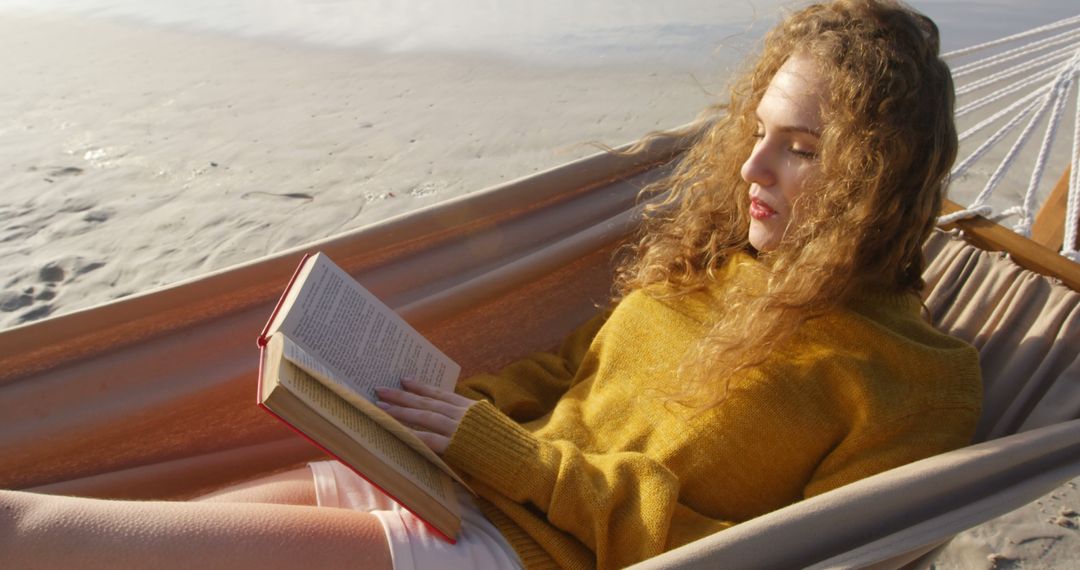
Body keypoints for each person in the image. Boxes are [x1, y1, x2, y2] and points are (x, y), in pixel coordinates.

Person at [0, 1, 981, 568]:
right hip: (459, 478)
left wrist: (506, 458)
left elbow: (766, 556)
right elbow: (570, 375)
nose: (751, 170)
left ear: (878, 176)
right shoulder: (727, 265)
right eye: (758, 133)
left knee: (38, 531)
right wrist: (437, 411)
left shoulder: (909, 380)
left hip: (523, 554)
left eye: (801, 149)